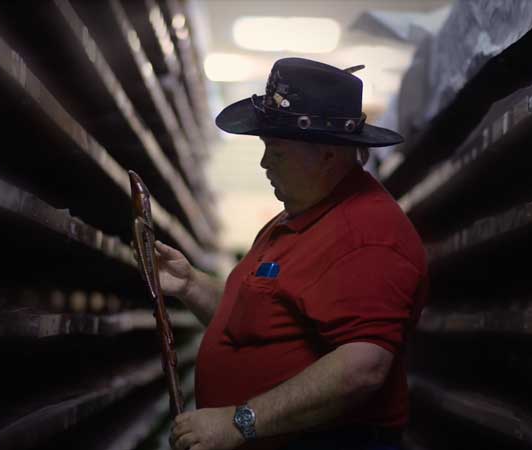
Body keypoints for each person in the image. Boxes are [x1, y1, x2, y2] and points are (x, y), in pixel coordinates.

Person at [149, 58, 428, 450]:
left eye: (276, 152)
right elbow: (256, 324)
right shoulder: (297, 217)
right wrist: (190, 284)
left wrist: (239, 421)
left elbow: (362, 368)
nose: (264, 163)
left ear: (329, 155)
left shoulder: (367, 234)